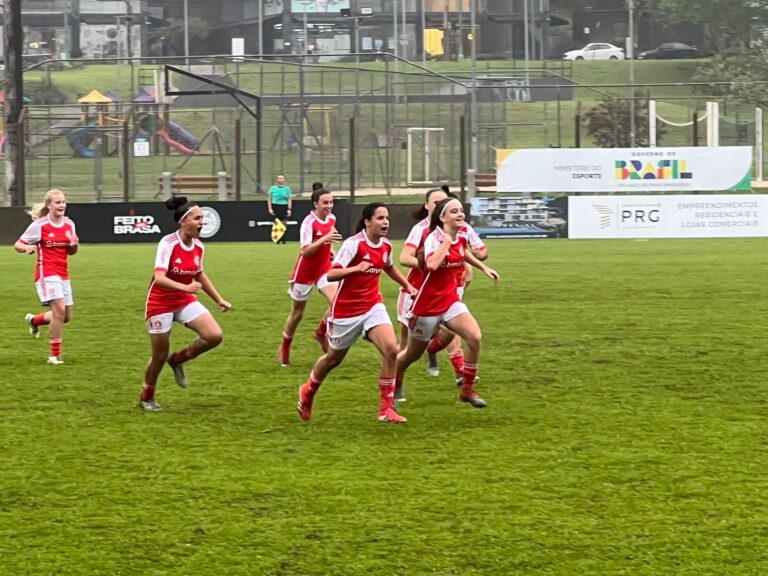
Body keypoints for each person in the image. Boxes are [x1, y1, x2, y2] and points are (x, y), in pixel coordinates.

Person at [297, 203, 417, 424]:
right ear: (367, 221)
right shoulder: (354, 245)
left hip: (373, 305)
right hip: (346, 312)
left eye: (387, 218)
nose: (385, 222)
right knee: (333, 359)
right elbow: (331, 274)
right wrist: (355, 269)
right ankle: (308, 390)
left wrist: (407, 285)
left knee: (391, 349)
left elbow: (388, 266)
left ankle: (385, 409)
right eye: (380, 218)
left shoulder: (386, 246)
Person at [395, 197, 499, 410]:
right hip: (427, 305)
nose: (460, 214)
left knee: (475, 337)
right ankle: (393, 385)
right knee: (409, 355)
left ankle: (467, 389)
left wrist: (483, 267)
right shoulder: (434, 238)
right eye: (454, 212)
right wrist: (446, 241)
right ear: (443, 217)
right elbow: (432, 264)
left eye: (461, 210)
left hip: (450, 300)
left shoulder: (460, 234)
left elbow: (462, 253)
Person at [140, 196, 232, 411]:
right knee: (159, 356)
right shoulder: (168, 243)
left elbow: (199, 274)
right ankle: (147, 396)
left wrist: (219, 299)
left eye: (203, 218)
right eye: (197, 218)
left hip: (183, 299)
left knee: (213, 335)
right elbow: (160, 278)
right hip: (160, 302)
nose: (202, 222)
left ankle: (179, 359)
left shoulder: (199, 246)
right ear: (184, 221)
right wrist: (186, 288)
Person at [14, 189, 79, 365]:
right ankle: (54, 356)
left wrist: (74, 245)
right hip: (46, 272)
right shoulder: (40, 226)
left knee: (65, 316)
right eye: (58, 202)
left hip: (63, 273)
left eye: (64, 202)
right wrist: (26, 248)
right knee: (59, 311)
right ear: (49, 205)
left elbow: (71, 252)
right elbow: (18, 244)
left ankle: (34, 320)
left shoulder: (69, 225)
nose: (62, 205)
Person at [279, 187, 342, 366]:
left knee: (337, 303)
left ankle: (320, 333)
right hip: (304, 273)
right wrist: (325, 239)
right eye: (325, 203)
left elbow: (327, 242)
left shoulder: (332, 219)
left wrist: (331, 251)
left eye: (331, 202)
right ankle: (285, 347)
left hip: (323, 270)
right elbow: (305, 251)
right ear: (315, 204)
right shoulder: (308, 222)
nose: (329, 206)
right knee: (297, 314)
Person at [267, 174, 292, 244]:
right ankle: (277, 239)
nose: (280, 179)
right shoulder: (273, 188)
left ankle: (283, 239)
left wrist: (289, 209)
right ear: (277, 180)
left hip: (284, 206)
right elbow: (269, 198)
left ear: (284, 179)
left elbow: (289, 199)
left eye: (282, 178)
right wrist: (270, 208)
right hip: (275, 206)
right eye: (279, 178)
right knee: (277, 223)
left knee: (284, 223)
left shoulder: (287, 189)